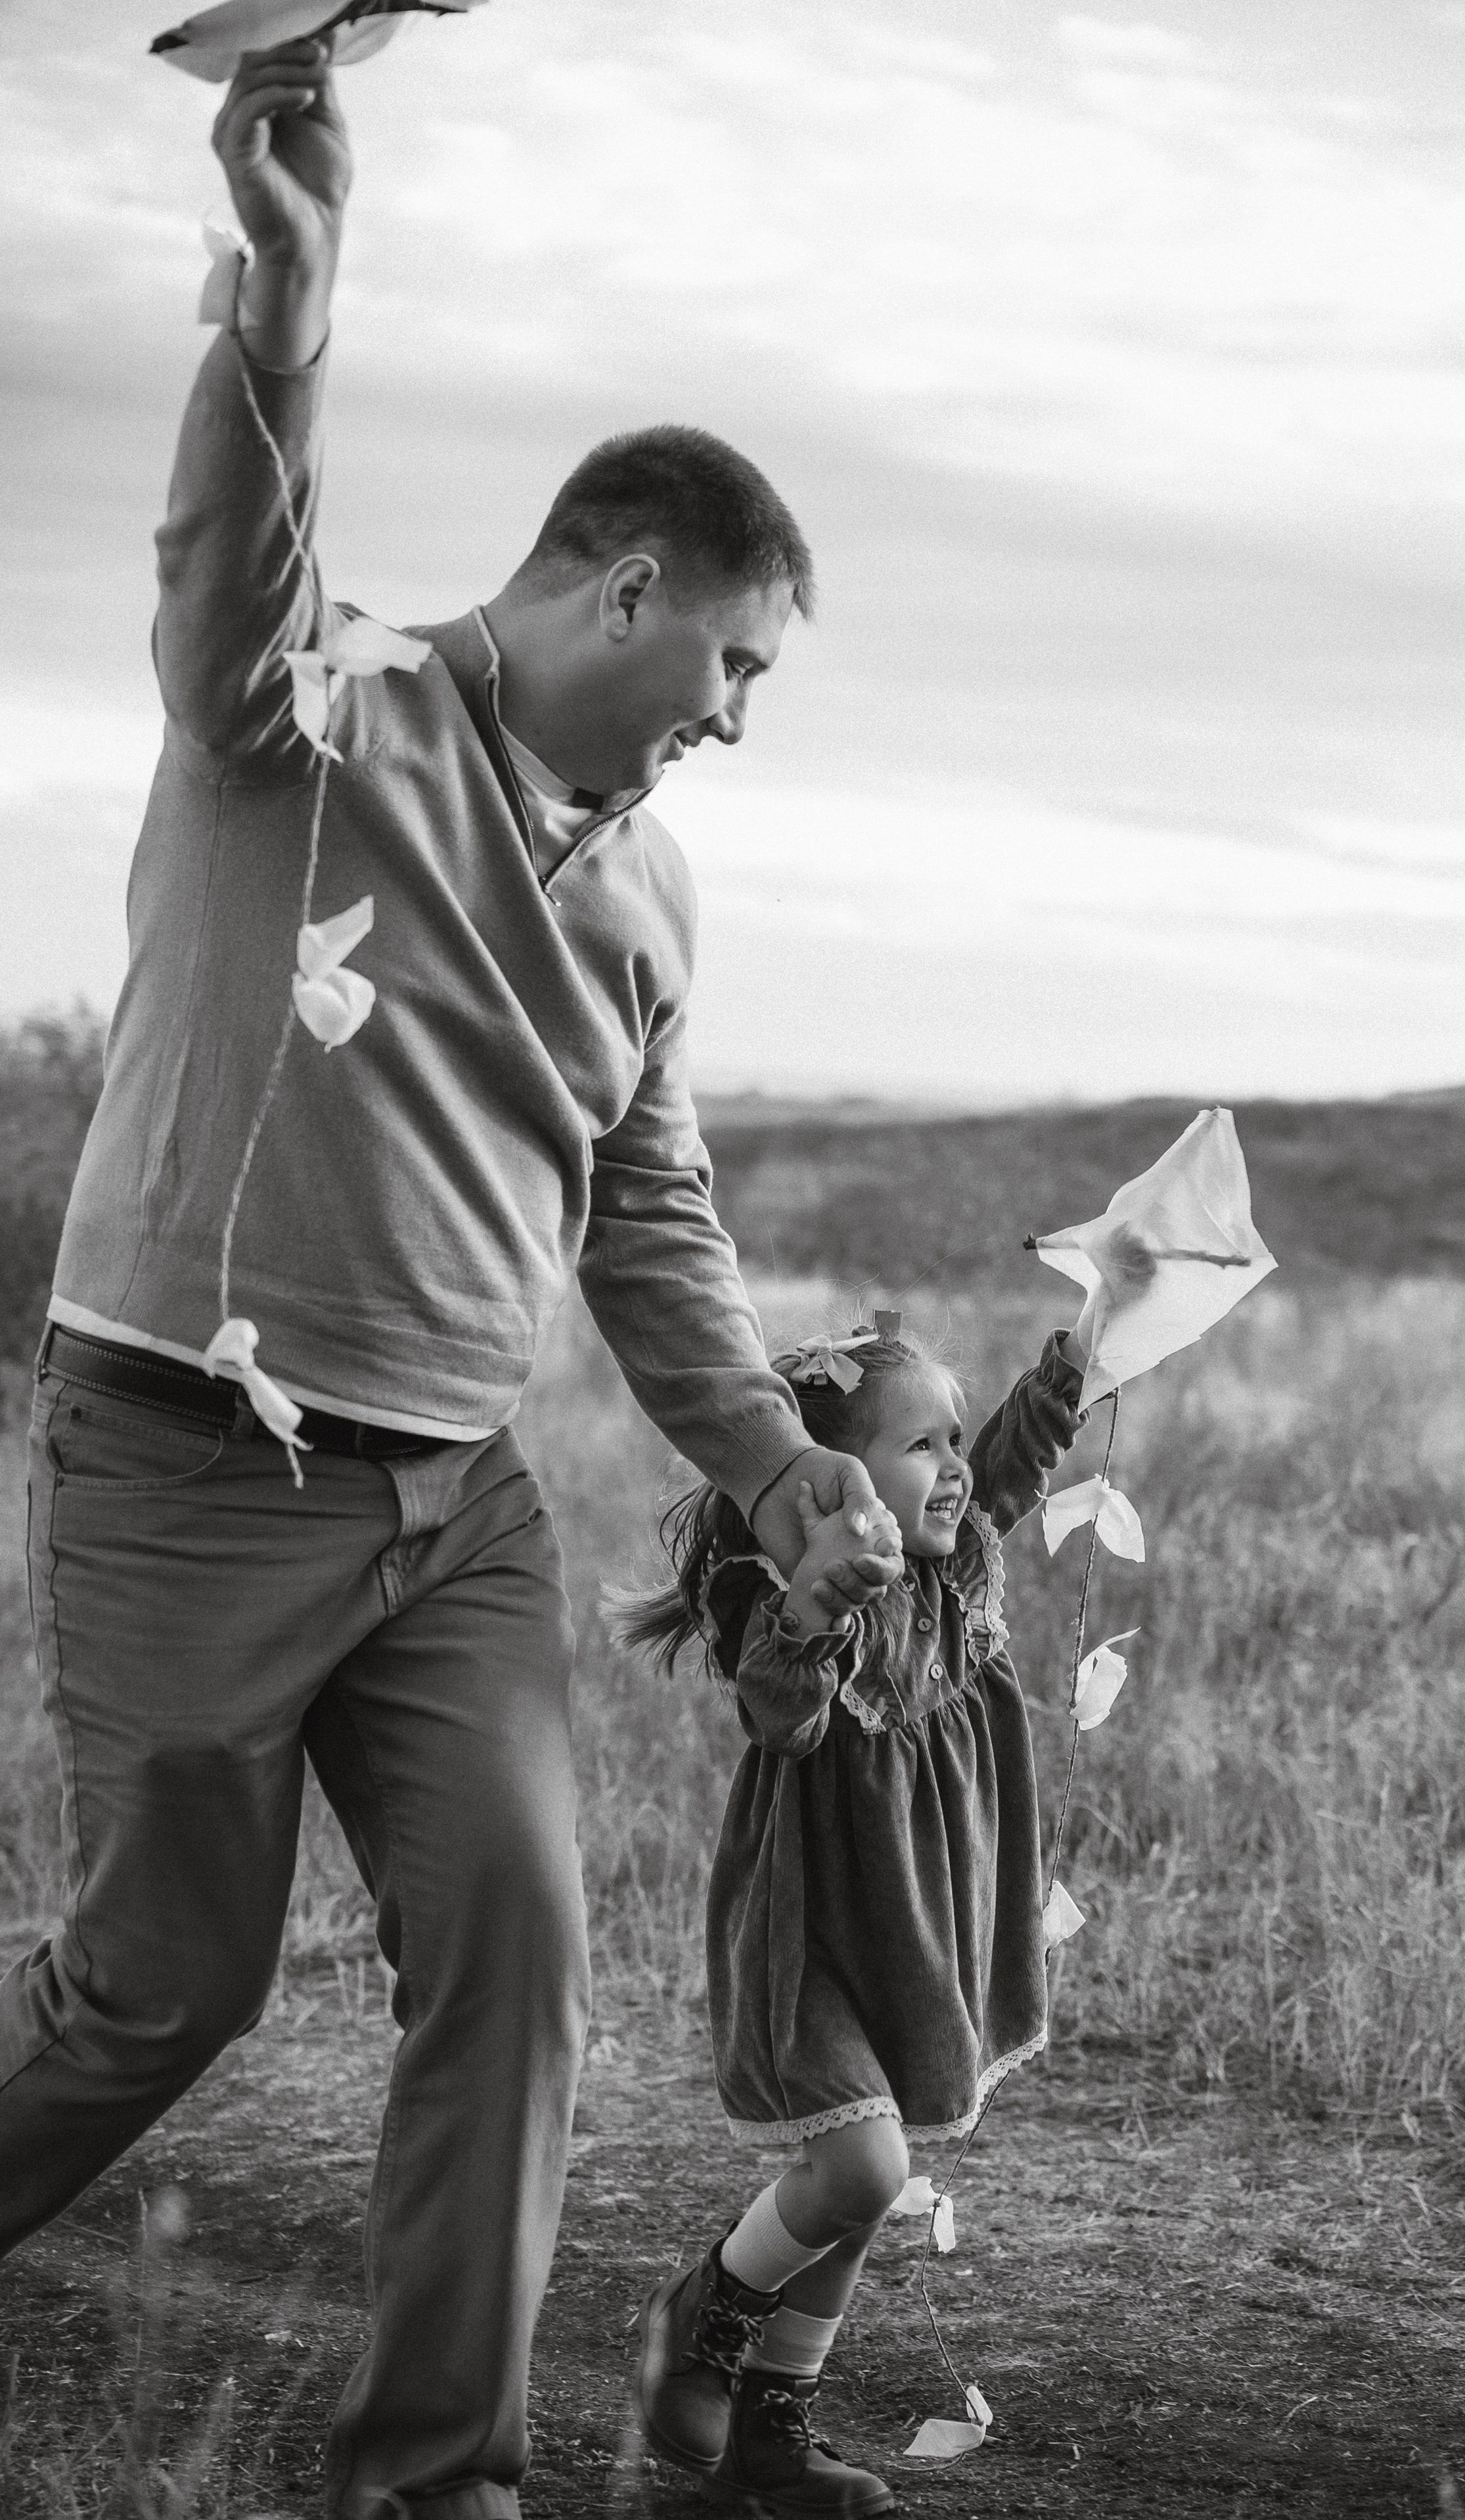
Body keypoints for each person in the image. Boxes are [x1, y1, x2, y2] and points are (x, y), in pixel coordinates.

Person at [0, 41, 898, 2520]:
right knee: (151, 1996)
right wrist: (285, 308)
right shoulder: (313, 721)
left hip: (447, 1509)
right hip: (183, 1459)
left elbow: (654, 1223)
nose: (734, 723)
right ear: (628, 588)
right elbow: (225, 572)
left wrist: (787, 1462)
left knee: (515, 1952)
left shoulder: (650, 898)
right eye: (736, 666)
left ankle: (439, 2482)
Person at [621, 1314, 1090, 2516]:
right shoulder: (797, 1601)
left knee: (865, 2184)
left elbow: (1015, 1461)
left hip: (919, 1921)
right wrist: (821, 1599)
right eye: (920, 1445)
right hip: (816, 1926)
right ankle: (704, 2318)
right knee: (865, 2166)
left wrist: (1074, 1358)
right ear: (827, 1479)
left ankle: (769, 2439)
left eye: (950, 1439)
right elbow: (780, 1710)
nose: (954, 1468)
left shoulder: (962, 1563)